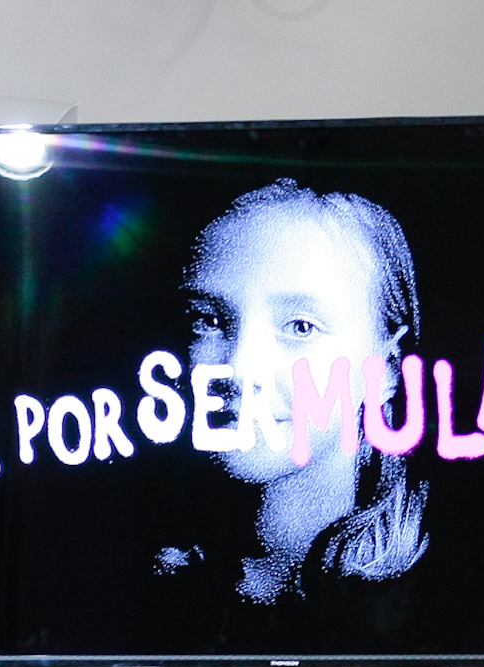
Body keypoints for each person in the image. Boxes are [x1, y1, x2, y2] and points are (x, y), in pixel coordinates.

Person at [160, 178, 429, 604]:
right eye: (208, 321)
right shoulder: (147, 580)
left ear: (386, 369)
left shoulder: (434, 596)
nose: (239, 368)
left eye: (301, 327)